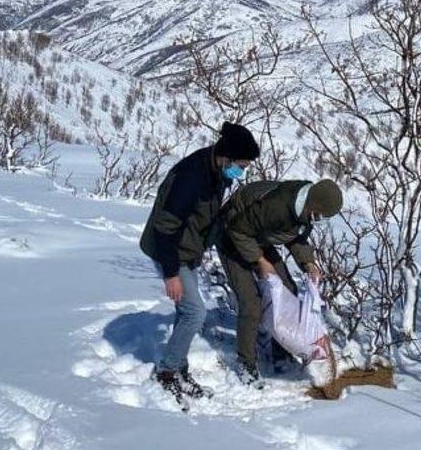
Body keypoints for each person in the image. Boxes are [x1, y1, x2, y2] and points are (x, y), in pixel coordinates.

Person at [140, 121, 260, 408]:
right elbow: (165, 227)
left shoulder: (215, 170)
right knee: (195, 312)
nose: (240, 172)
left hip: (187, 250)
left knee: (187, 311)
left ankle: (177, 367)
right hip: (170, 250)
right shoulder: (191, 177)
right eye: (240, 166)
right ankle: (167, 371)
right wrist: (171, 273)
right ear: (226, 156)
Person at [218, 178, 343, 386]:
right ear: (314, 204)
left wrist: (309, 263)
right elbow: (238, 230)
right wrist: (260, 261)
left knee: (288, 288)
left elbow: (297, 238)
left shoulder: (306, 210)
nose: (319, 220)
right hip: (232, 233)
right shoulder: (279, 206)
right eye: (321, 215)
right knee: (251, 302)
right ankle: (246, 365)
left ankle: (281, 355)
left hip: (258, 235)